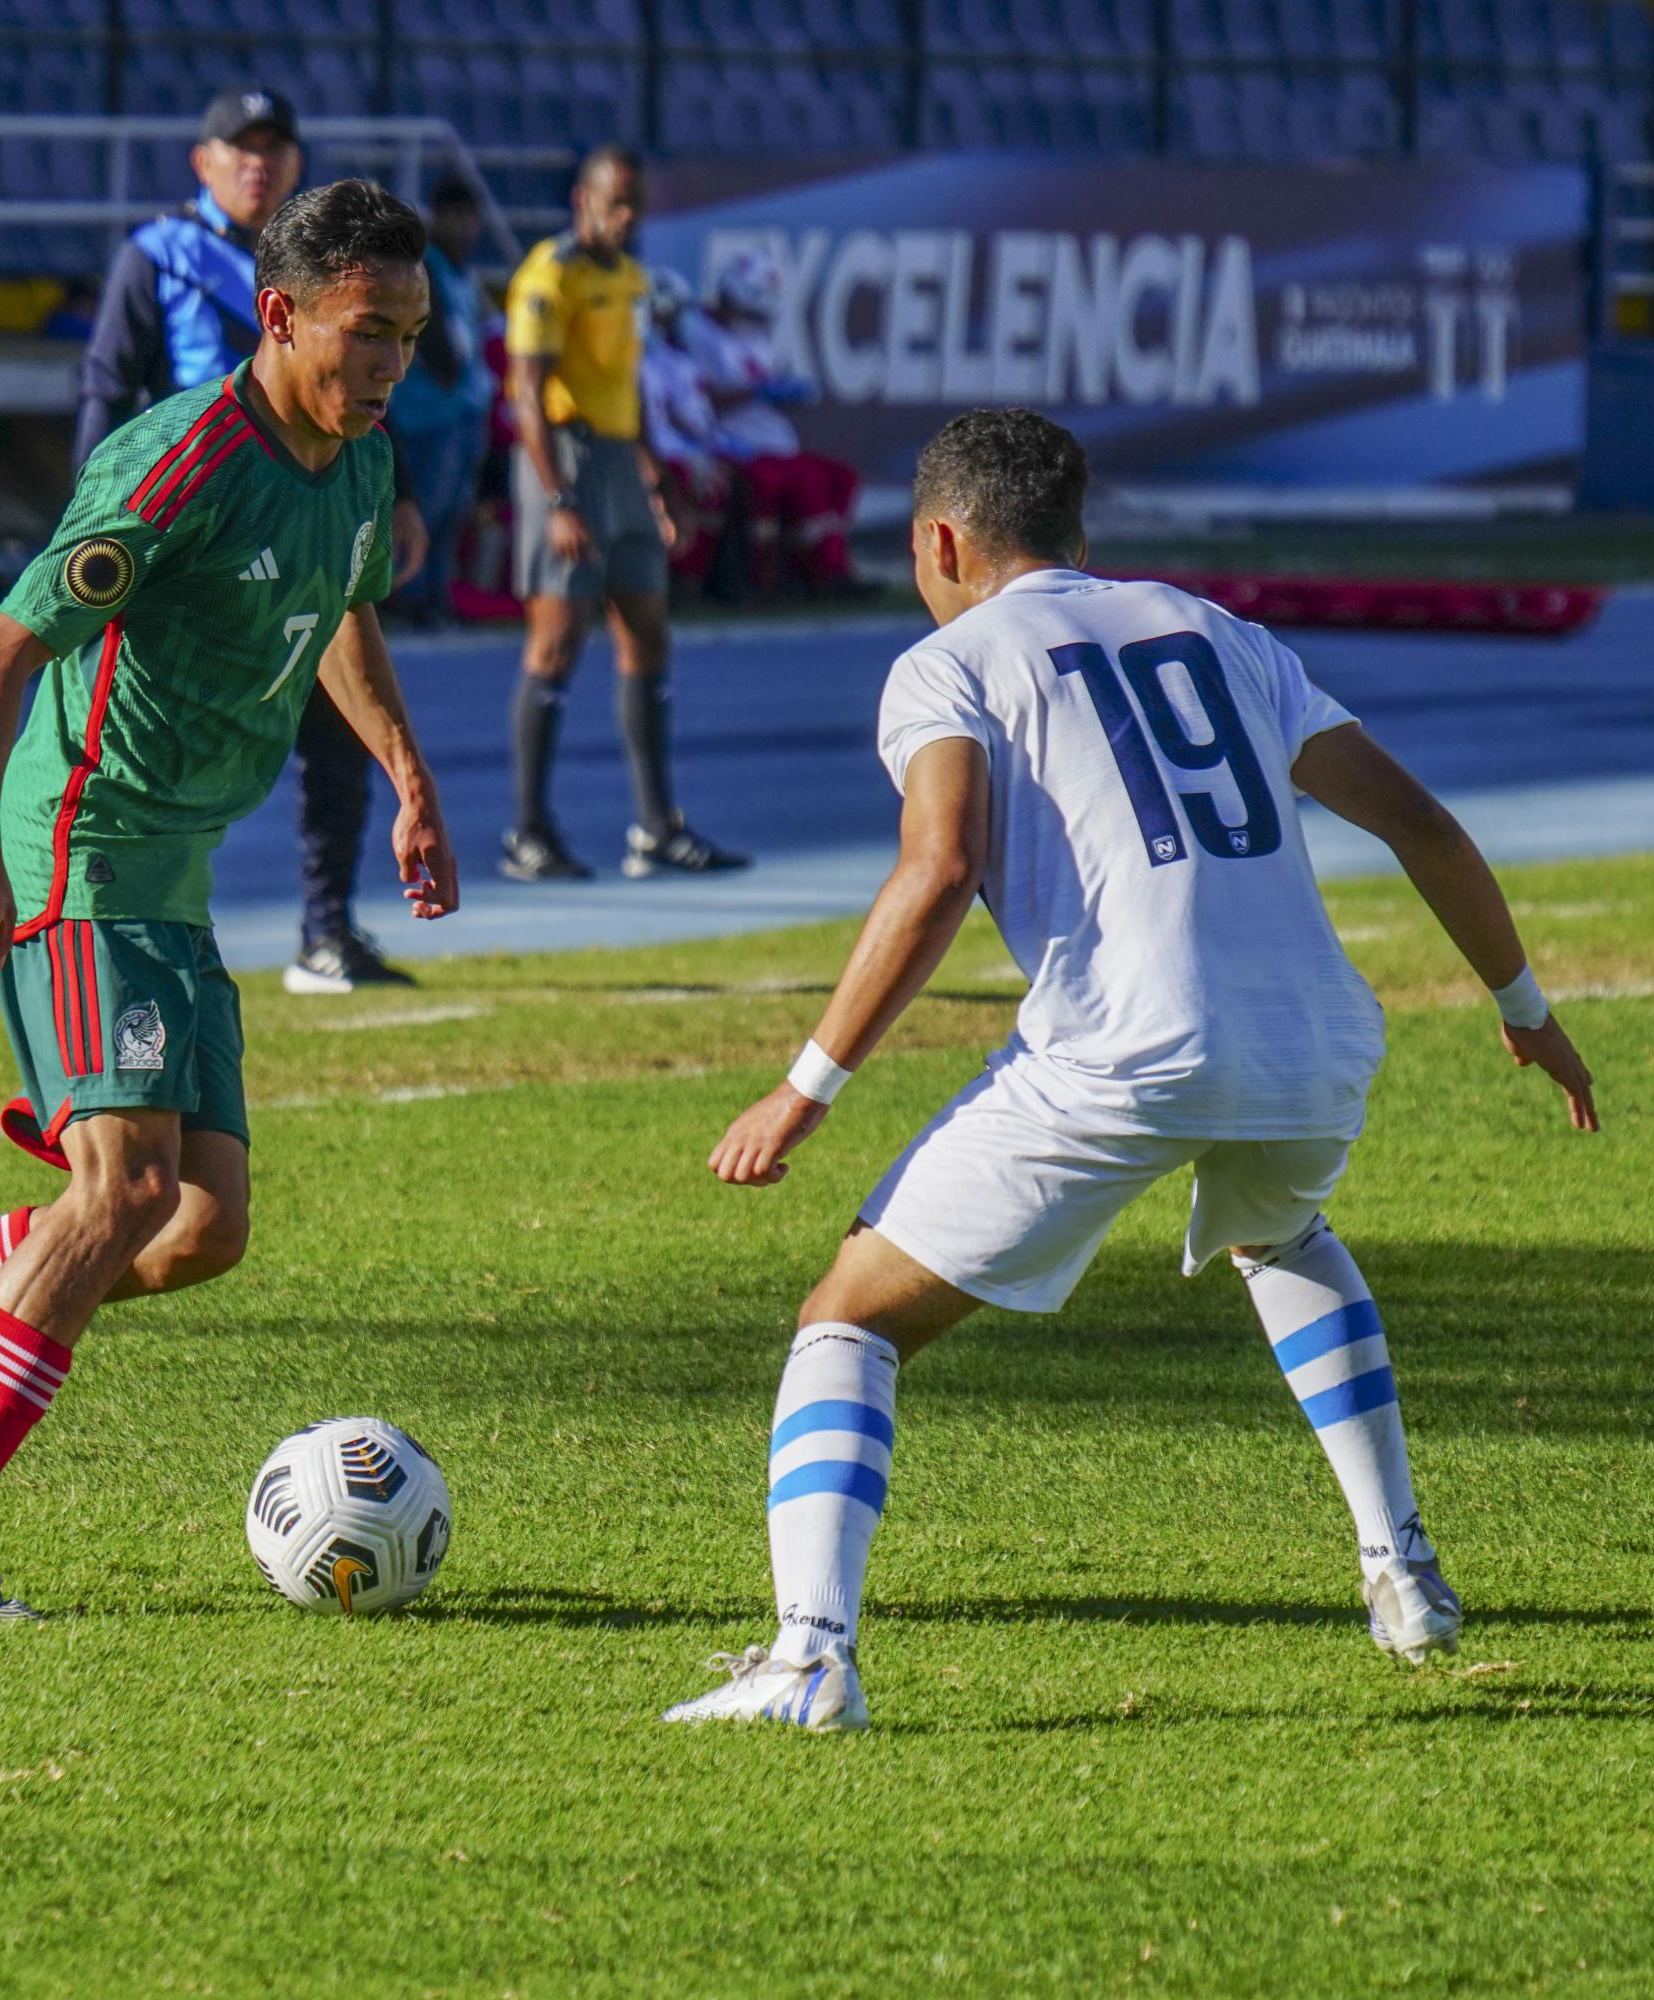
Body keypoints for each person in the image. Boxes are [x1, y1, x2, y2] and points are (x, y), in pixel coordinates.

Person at [662, 407, 1598, 1732]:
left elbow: (933, 872)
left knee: (849, 1317)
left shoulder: (951, 661)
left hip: (1126, 1045)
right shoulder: (1222, 632)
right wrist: (1524, 1007)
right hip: (1315, 1041)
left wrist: (804, 1087)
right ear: (1078, 533)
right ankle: (1402, 1569)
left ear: (943, 539)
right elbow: (1423, 825)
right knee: (1280, 1235)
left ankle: (811, 1658)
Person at [0, 181, 460, 1621]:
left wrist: (405, 772)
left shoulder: (360, 462)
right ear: (282, 316)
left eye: (410, 335)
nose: (391, 365)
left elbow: (336, 609)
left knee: (198, 1230)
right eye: (367, 332)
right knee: (121, 1188)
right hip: (80, 848)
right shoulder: (179, 463)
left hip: (174, 870)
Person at [70, 81, 429, 997]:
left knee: (338, 725)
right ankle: (134, 914)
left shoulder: (345, 273)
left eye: (275, 146)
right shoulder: (159, 255)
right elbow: (109, 385)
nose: (258, 162)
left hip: (303, 513)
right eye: (240, 146)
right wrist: (94, 513)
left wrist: (401, 498)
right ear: (204, 163)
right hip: (191, 533)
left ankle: (325, 928)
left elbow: (360, 406)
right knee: (156, 734)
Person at [499, 146, 748, 883]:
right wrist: (556, 500)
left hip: (618, 460)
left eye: (637, 205)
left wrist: (653, 471)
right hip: (566, 460)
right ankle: (529, 832)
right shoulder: (550, 274)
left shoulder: (631, 277)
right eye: (616, 204)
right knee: (555, 646)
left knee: (648, 634)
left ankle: (657, 826)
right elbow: (526, 395)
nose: (628, 217)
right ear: (584, 200)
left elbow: (628, 383)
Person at [685, 253, 861, 597]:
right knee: (793, 483)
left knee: (840, 478)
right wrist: (756, 392)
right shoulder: (696, 333)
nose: (752, 319)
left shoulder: (753, 335)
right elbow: (698, 398)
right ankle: (798, 576)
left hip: (773, 440)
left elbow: (760, 384)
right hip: (733, 443)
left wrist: (781, 393)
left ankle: (826, 568)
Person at [383, 175, 494, 629]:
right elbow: (435, 339)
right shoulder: (426, 266)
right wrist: (452, 375)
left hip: (463, 411)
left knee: (452, 511)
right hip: (428, 412)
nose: (466, 228)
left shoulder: (464, 270)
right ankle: (405, 597)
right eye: (456, 218)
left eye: (471, 218)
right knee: (424, 508)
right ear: (438, 218)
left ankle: (435, 596)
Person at [640, 267, 734, 595]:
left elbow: (686, 419)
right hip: (643, 454)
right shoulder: (626, 360)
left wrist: (705, 451)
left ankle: (692, 579)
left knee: (715, 481)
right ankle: (663, 578)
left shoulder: (673, 361)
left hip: (668, 448)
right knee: (676, 479)